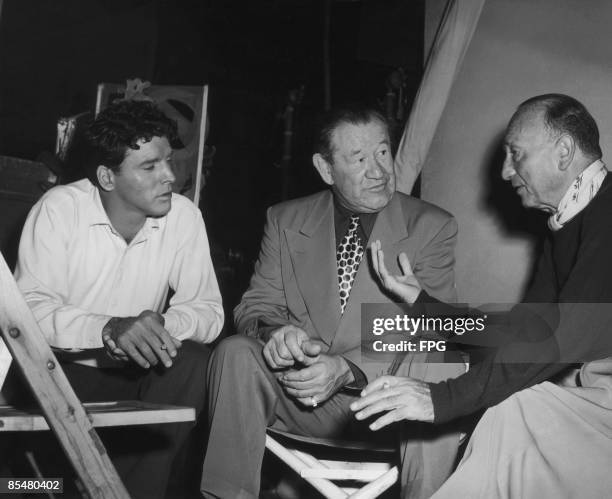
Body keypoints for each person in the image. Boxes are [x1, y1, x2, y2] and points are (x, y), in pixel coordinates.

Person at [352, 94, 612, 498]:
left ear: (564, 152)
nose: (506, 171)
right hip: (596, 399)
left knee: (515, 411)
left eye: (516, 153)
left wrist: (440, 399)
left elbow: (555, 343)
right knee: (511, 412)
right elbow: (521, 334)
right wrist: (424, 303)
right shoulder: (569, 223)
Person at [201, 105, 466, 499]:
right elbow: (256, 306)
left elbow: (436, 331)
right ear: (326, 170)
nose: (379, 171)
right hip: (301, 400)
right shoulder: (285, 219)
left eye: (382, 152)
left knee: (437, 356)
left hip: (389, 407)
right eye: (359, 159)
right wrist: (277, 334)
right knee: (235, 352)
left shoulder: (431, 226)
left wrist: (348, 368)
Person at [14, 99, 224, 499]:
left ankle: (128, 492)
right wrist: (110, 329)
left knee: (196, 361)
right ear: (107, 178)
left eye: (169, 160)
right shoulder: (59, 210)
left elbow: (208, 311)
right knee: (34, 488)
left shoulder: (183, 216)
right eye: (150, 166)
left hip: (141, 376)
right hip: (61, 374)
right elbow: (27, 312)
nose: (170, 176)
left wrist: (156, 328)